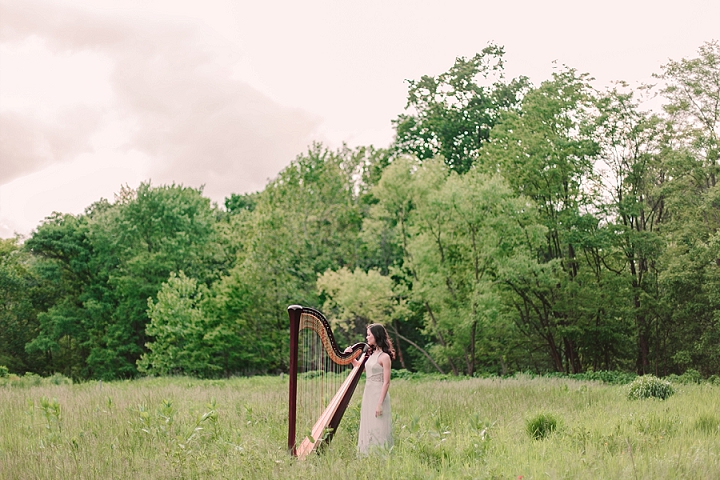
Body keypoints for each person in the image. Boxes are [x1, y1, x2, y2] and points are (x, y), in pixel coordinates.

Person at [344, 323, 394, 455]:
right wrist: (351, 357)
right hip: (368, 393)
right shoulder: (370, 354)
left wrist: (379, 404)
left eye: (369, 335)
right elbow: (361, 368)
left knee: (379, 425)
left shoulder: (385, 357)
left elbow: (387, 382)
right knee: (368, 422)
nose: (367, 337)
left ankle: (381, 455)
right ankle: (367, 454)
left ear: (376, 336)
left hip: (379, 394)